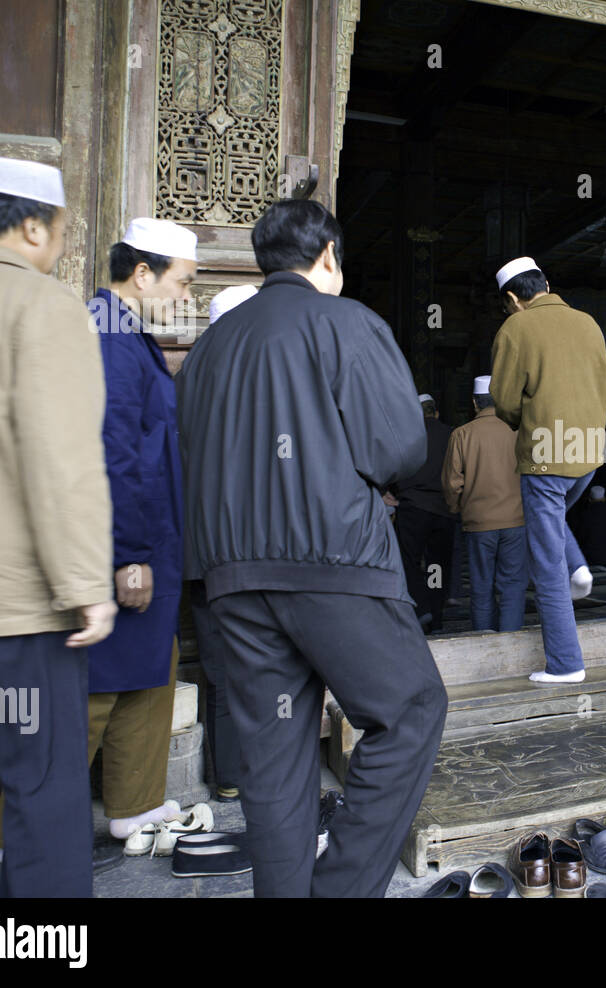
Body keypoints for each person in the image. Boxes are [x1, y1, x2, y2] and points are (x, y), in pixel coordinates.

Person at [176, 199, 447, 897]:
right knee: (411, 711)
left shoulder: (209, 346)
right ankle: (342, 887)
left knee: (273, 758)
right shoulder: (346, 321)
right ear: (326, 253)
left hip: (229, 575)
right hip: (334, 561)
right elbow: (398, 448)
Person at [0, 217, 209, 863]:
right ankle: (12, 834)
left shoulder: (129, 334)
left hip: (153, 539)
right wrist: (129, 554)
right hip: (125, 542)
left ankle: (134, 807)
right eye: (183, 282)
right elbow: (113, 454)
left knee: (150, 677)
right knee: (98, 690)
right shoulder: (108, 336)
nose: (187, 297)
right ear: (142, 274)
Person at [0, 157, 116, 897]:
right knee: (42, 792)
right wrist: (86, 582)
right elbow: (61, 459)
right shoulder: (40, 306)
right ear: (34, 225)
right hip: (18, 606)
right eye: (62, 229)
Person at [490, 256, 606, 684]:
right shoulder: (588, 323)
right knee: (552, 518)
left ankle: (566, 665)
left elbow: (502, 401)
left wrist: (527, 416)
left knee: (545, 560)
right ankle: (578, 566)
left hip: (545, 455)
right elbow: (603, 387)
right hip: (588, 454)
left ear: (512, 298)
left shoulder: (516, 328)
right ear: (545, 282)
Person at [185, 282, 259, 801]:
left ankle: (231, 776)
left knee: (223, 667)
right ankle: (256, 772)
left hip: (198, 551)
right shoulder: (245, 378)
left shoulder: (188, 375)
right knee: (260, 662)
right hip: (243, 548)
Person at [443, 375, 529, 631]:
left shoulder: (462, 434)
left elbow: (451, 483)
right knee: (513, 586)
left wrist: (459, 509)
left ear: (474, 402)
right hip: (516, 521)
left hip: (478, 523)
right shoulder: (520, 431)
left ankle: (484, 642)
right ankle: (510, 642)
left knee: (481, 587)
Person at [393, 394, 457, 632]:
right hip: (444, 510)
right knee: (436, 565)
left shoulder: (407, 435)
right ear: (436, 412)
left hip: (414, 508)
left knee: (409, 561)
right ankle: (436, 611)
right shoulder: (451, 434)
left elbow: (394, 466)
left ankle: (421, 609)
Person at [573, 485, 606, 570]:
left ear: (589, 499)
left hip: (592, 557)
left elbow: (581, 536)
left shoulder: (585, 514)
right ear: (604, 498)